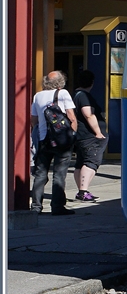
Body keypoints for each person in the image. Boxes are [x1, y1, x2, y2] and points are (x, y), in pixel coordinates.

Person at [30, 70, 78, 215]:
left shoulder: (37, 95)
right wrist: (72, 134)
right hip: (62, 140)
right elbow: (71, 116)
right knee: (59, 174)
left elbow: (33, 120)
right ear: (61, 82)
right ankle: (57, 207)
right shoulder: (62, 93)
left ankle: (36, 207)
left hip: (44, 140)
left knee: (40, 174)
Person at [71, 70, 109, 202]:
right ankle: (83, 192)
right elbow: (88, 114)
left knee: (80, 162)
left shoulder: (74, 95)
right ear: (91, 82)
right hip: (90, 136)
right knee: (91, 162)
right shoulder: (84, 96)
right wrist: (98, 132)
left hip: (80, 136)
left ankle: (81, 190)